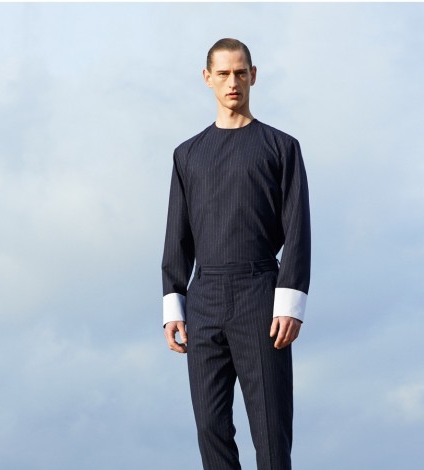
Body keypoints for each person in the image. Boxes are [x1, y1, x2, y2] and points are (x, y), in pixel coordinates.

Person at [161, 38, 311, 470]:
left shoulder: (281, 147)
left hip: (260, 293)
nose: (233, 82)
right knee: (210, 427)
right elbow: (177, 235)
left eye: (240, 73)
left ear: (253, 76)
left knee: (270, 428)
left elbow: (298, 230)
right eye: (224, 73)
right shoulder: (187, 154)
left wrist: (290, 303)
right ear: (207, 78)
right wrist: (173, 305)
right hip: (203, 296)